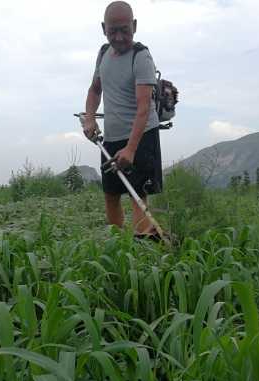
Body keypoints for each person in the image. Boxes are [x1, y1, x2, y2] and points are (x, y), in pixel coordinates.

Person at [82, 0, 163, 238]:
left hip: (141, 136)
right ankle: (118, 248)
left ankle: (145, 249)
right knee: (111, 193)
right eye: (112, 31)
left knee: (138, 193)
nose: (118, 37)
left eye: (124, 30)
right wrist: (89, 119)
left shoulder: (141, 56)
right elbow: (95, 90)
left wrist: (130, 149)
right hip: (112, 137)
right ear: (103, 28)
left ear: (134, 26)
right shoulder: (103, 53)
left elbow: (144, 106)